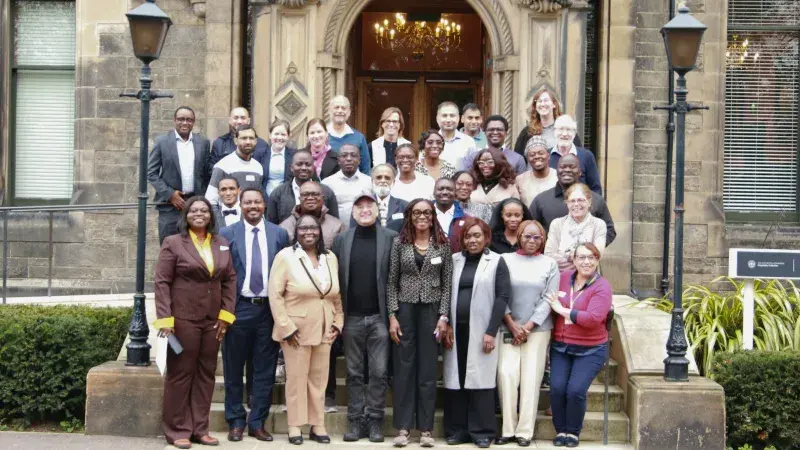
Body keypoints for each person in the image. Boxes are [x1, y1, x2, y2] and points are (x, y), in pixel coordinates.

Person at [154, 196, 236, 449]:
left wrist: (226, 315)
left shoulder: (221, 243)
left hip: (212, 320)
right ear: (186, 215)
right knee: (180, 374)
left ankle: (200, 429)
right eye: (194, 210)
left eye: (204, 210)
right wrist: (165, 319)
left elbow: (229, 279)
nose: (199, 214)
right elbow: (162, 282)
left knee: (206, 374)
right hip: (182, 320)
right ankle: (178, 429)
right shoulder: (173, 243)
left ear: (211, 216)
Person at [218, 188, 290, 442]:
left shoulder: (279, 234)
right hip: (239, 308)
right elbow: (221, 275)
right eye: (247, 202)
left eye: (257, 202)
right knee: (233, 368)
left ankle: (257, 422)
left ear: (264, 204)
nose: (252, 206)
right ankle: (236, 420)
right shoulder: (226, 234)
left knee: (265, 369)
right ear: (240, 204)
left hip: (269, 310)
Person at [269, 214, 344, 445]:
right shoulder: (286, 257)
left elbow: (335, 295)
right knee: (296, 378)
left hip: (325, 328)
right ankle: (294, 425)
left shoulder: (330, 257)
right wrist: (286, 327)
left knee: (319, 380)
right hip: (296, 330)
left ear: (320, 231)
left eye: (313, 227)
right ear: (296, 231)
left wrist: (338, 323)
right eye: (303, 228)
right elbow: (275, 294)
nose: (309, 232)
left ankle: (317, 424)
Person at [387, 199, 453, 448]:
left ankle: (425, 429)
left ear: (433, 216)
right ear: (410, 216)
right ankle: (403, 428)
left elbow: (447, 285)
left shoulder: (443, 245)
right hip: (404, 309)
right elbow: (391, 281)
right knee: (404, 369)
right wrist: (392, 316)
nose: (422, 216)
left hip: (431, 311)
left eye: (427, 212)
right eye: (417, 212)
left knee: (427, 370)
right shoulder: (399, 243)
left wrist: (444, 316)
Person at [332, 193, 398, 443]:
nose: (364, 209)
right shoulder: (342, 240)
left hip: (380, 317)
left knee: (379, 372)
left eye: (369, 205)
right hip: (352, 318)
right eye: (359, 206)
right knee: (354, 372)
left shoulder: (390, 238)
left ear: (377, 209)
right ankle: (355, 420)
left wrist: (393, 315)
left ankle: (375, 421)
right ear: (353, 212)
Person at [442, 218, 510, 448]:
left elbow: (502, 298)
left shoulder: (496, 261)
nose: (472, 240)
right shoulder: (454, 260)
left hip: (482, 330)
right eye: (468, 236)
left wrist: (491, 331)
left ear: (486, 237)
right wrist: (446, 323)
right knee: (456, 379)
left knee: (481, 380)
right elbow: (445, 294)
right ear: (462, 240)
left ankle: (482, 431)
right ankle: (457, 430)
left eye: (477, 236)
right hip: (455, 331)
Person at [496, 220, 559, 447]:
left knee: (531, 378)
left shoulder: (550, 264)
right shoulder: (505, 260)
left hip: (538, 330)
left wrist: (529, 326)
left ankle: (525, 431)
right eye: (527, 236)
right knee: (506, 375)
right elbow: (499, 293)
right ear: (519, 236)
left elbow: (549, 298)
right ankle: (508, 429)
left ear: (543, 240)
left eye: (537, 237)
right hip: (508, 327)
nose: (532, 241)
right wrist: (512, 324)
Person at [545, 243, 613, 448]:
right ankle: (561, 430)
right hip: (561, 346)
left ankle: (573, 432)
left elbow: (593, 318)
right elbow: (549, 300)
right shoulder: (564, 278)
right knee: (556, 389)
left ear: (597, 260)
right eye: (581, 257)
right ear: (573, 260)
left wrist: (563, 311)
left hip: (590, 349)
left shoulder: (602, 286)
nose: (586, 261)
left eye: (591, 257)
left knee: (575, 390)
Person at [147, 106, 210, 244]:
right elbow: (151, 173)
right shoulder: (162, 142)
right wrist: (170, 195)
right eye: (181, 119)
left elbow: (206, 174)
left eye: (189, 120)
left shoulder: (203, 143)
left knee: (196, 247)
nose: (185, 123)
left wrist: (202, 198)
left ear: (193, 122)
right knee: (169, 247)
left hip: (195, 204)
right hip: (170, 207)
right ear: (174, 120)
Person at [529, 154, 616, 245]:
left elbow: (609, 231)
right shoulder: (541, 200)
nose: (567, 170)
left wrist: (590, 250)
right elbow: (528, 228)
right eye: (562, 167)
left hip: (585, 258)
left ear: (580, 172)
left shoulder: (596, 200)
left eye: (572, 167)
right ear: (557, 171)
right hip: (550, 257)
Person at [545, 183, 607, 272]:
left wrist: (567, 256)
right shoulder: (557, 224)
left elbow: (596, 255)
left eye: (581, 200)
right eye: (572, 201)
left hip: (589, 280)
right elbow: (549, 256)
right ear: (567, 203)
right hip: (560, 278)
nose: (576, 204)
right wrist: (582, 258)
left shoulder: (599, 224)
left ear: (589, 202)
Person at [267, 150, 339, 225]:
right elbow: (271, 226)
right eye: (299, 164)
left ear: (313, 167)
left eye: (308, 164)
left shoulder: (326, 192)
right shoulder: (278, 193)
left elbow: (335, 223)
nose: (304, 168)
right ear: (291, 167)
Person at [206, 125, 264, 206]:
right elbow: (211, 200)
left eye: (251, 138)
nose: (248, 142)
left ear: (256, 141)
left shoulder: (258, 167)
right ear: (235, 141)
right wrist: (220, 218)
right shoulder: (223, 165)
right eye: (243, 138)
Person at [513, 89, 580, 157]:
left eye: (546, 100)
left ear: (554, 104)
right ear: (535, 106)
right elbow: (518, 159)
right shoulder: (527, 132)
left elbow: (579, 154)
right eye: (539, 101)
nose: (543, 104)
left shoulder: (567, 129)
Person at [280, 181, 345, 250]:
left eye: (315, 194)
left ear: (322, 198)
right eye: (305, 194)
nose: (310, 198)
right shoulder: (284, 228)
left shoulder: (337, 226)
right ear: (299, 198)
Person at [207, 107, 269, 179]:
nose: (239, 121)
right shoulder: (220, 143)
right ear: (230, 120)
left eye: (243, 118)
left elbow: (265, 172)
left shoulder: (261, 145)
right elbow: (212, 171)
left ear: (248, 121)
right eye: (236, 118)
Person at [549, 115, 602, 195]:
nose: (564, 134)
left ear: (574, 133)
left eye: (568, 130)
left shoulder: (586, 156)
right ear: (554, 131)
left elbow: (595, 188)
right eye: (561, 129)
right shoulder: (546, 156)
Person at [322, 144, 373, 225]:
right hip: (337, 233)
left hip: (364, 231)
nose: (349, 159)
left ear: (359, 160)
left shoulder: (370, 182)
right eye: (344, 155)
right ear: (338, 160)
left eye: (353, 155)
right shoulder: (327, 183)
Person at [461, 115, 527, 175]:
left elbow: (521, 185)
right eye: (491, 129)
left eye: (499, 129)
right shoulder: (473, 157)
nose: (495, 132)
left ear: (506, 133)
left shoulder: (518, 159)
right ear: (484, 133)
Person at [326, 95, 371, 173]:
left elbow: (365, 168)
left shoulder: (359, 138)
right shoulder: (320, 136)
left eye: (344, 108)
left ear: (349, 112)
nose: (340, 111)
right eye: (336, 107)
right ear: (329, 110)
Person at [516, 135, 558, 206]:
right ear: (528, 159)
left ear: (548, 156)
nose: (537, 156)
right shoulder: (520, 180)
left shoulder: (558, 177)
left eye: (541, 153)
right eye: (532, 155)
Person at [259, 119, 296, 196]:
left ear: (288, 136)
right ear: (270, 135)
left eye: (283, 135)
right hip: (264, 199)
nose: (279, 138)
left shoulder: (294, 155)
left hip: (286, 199)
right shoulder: (260, 154)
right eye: (276, 134)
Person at [437, 101, 476, 171]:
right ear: (437, 118)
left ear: (459, 118)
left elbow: (474, 169)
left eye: (452, 116)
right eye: (444, 116)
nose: (448, 120)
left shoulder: (469, 142)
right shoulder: (429, 142)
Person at [433, 177, 469, 253]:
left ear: (455, 193)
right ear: (434, 193)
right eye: (441, 189)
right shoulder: (424, 215)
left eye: (449, 189)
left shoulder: (467, 219)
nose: (445, 192)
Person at [370, 164, 408, 230]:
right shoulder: (361, 205)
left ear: (393, 182)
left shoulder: (404, 206)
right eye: (379, 177)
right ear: (372, 181)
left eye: (387, 178)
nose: (383, 181)